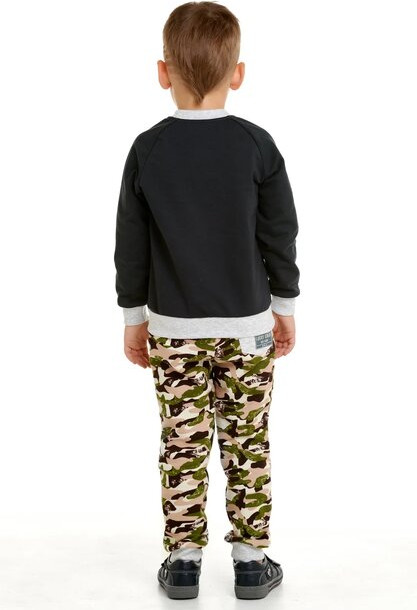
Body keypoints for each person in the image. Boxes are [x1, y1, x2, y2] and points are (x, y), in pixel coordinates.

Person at [113, 1, 300, 600]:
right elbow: (279, 235)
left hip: (172, 329)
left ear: (163, 72)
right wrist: (285, 308)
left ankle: (183, 563)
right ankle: (251, 563)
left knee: (182, 444)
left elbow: (130, 246)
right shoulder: (256, 145)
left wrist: (133, 319)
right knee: (248, 442)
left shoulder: (148, 149)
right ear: (237, 74)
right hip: (248, 327)